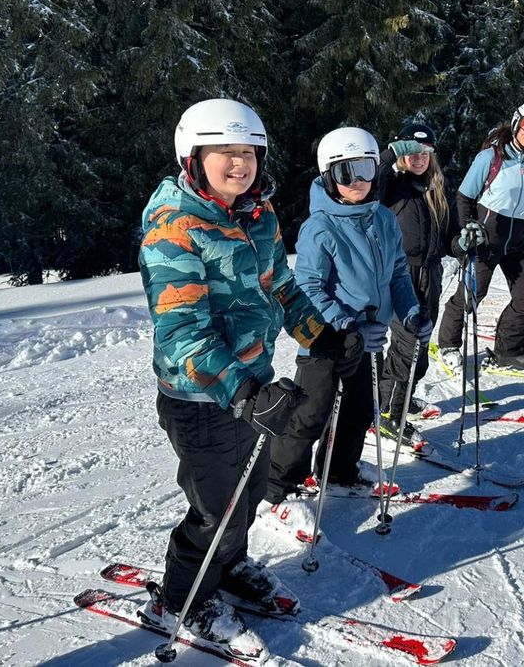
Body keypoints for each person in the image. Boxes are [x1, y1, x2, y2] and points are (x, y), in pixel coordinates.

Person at [138, 99, 362, 650]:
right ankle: (183, 599)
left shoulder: (258, 215)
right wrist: (242, 390)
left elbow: (281, 289)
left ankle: (231, 568)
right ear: (193, 157)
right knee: (215, 509)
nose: (239, 164)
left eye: (248, 153)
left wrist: (321, 334)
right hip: (202, 398)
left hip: (254, 390)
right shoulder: (175, 227)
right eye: (225, 153)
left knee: (251, 490)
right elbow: (182, 332)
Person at [266, 126, 431, 503]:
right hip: (328, 340)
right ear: (329, 177)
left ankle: (339, 470)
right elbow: (308, 288)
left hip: (369, 338)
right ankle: (279, 484)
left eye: (366, 170)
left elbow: (399, 273)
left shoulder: (384, 219)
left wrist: (410, 313)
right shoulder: (319, 227)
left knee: (358, 410)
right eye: (346, 172)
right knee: (311, 412)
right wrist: (348, 324)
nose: (357, 181)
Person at [436, 101, 524, 372]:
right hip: (486, 240)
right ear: (516, 123)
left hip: (516, 242)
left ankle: (507, 350)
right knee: (470, 296)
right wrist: (467, 228)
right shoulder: (491, 157)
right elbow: (464, 197)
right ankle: (448, 345)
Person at [376, 121, 456, 445]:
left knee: (421, 345)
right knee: (406, 346)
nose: (419, 158)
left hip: (431, 274)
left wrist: (462, 242)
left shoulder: (437, 186)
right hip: (400, 275)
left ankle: (402, 398)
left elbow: (451, 234)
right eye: (412, 151)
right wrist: (388, 155)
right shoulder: (391, 184)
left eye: (425, 152)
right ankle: (386, 413)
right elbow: (369, 190)